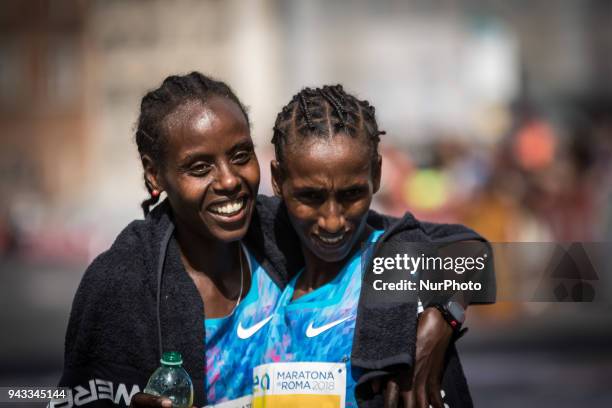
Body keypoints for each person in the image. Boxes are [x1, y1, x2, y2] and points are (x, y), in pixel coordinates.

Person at [54, 72, 304, 408]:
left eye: (241, 155)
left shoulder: (287, 232)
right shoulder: (120, 282)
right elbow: (60, 398)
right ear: (155, 174)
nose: (229, 180)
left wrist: (389, 352)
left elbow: (391, 241)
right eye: (200, 168)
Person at [253, 85, 494, 407]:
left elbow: (475, 252)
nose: (333, 220)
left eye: (352, 195)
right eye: (310, 197)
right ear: (278, 180)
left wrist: (443, 314)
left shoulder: (395, 257)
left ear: (377, 174)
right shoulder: (256, 262)